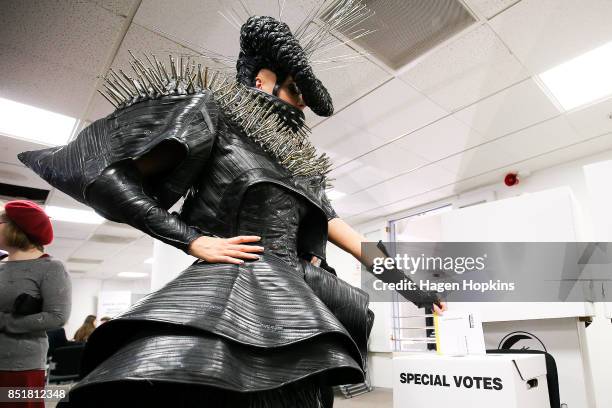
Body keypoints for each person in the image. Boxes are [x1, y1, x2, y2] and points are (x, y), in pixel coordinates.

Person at [19, 14, 445, 408]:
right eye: (296, 90)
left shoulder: (300, 168)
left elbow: (353, 238)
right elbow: (107, 176)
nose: (301, 107)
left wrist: (413, 288)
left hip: (295, 304)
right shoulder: (211, 116)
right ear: (262, 79)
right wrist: (192, 239)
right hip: (228, 297)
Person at [0, 200, 72, 408]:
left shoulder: (50, 267)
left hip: (20, 366)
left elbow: (57, 316)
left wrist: (6, 322)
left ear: (17, 228)